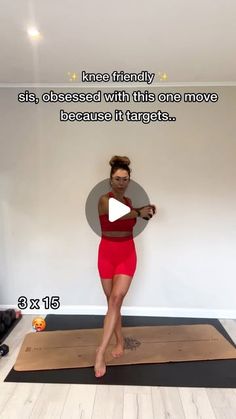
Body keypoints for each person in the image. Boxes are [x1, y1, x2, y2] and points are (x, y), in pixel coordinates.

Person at [94, 155, 156, 377]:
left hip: (127, 253)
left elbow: (130, 213)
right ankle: (119, 339)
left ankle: (100, 353)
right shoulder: (104, 200)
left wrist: (145, 210)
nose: (121, 182)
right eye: (117, 178)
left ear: (129, 180)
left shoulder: (129, 203)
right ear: (110, 180)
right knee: (111, 303)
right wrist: (139, 212)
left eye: (125, 179)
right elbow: (115, 213)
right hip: (107, 254)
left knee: (116, 299)